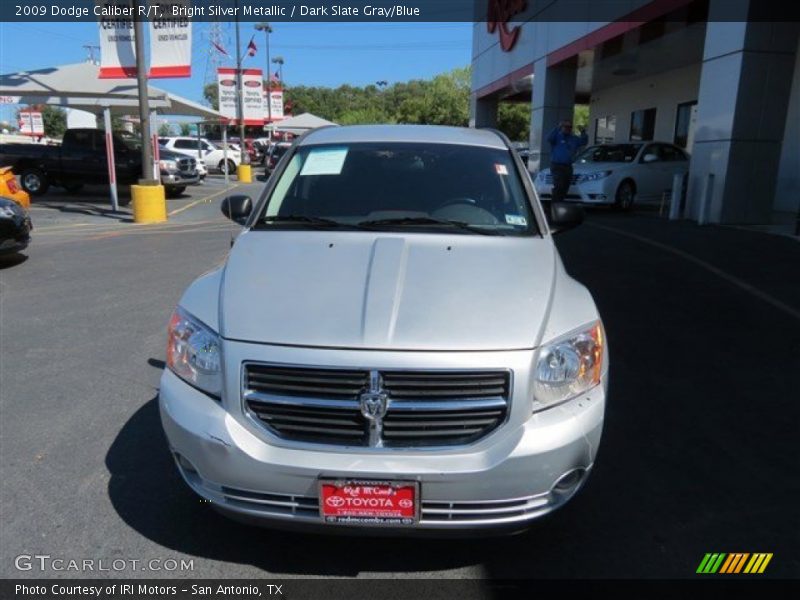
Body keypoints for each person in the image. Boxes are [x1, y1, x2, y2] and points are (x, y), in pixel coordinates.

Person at [547, 121, 588, 204]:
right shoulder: (557, 137)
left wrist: (583, 132)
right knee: (559, 185)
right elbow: (549, 138)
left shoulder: (574, 138)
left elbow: (584, 141)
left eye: (569, 127)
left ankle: (560, 202)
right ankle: (555, 204)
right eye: (565, 126)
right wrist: (557, 128)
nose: (567, 129)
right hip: (557, 165)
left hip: (568, 166)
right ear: (562, 127)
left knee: (565, 186)